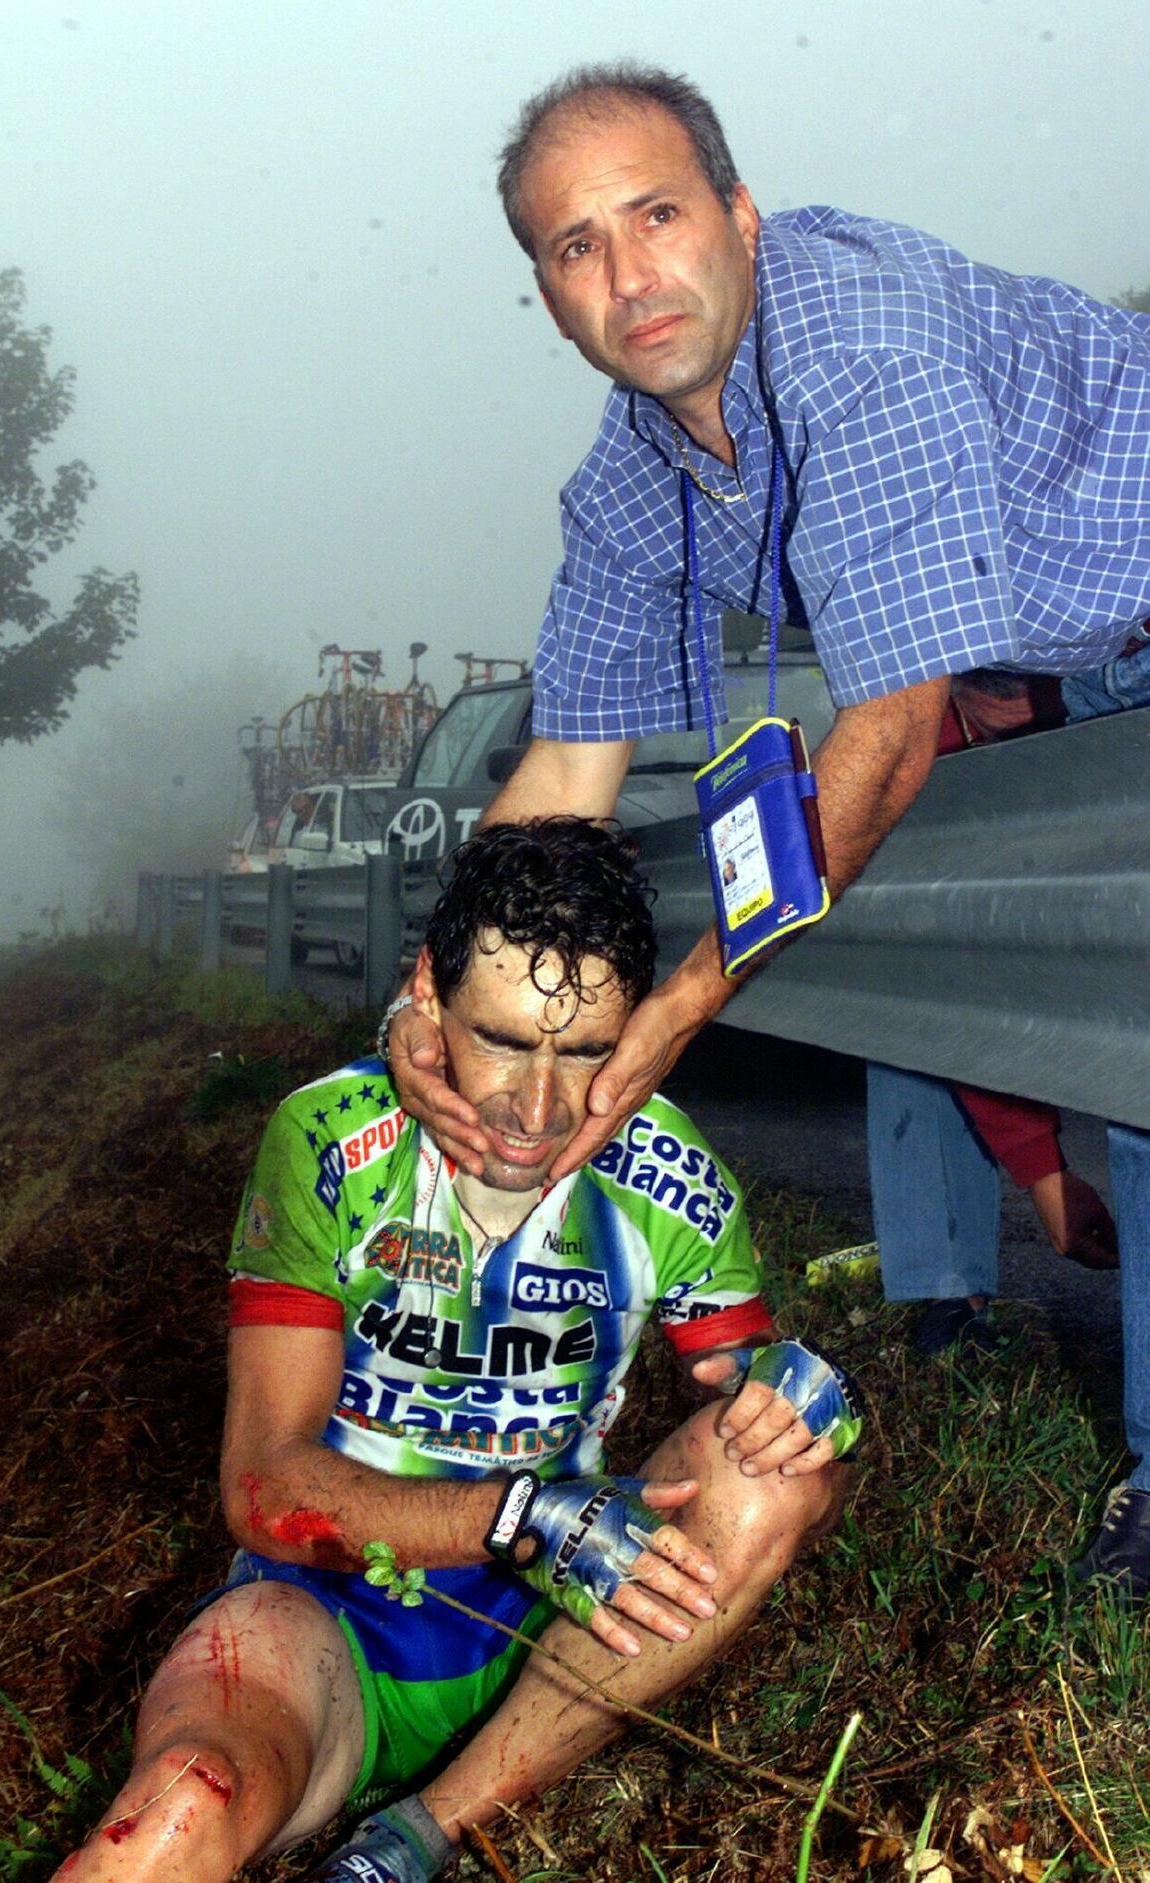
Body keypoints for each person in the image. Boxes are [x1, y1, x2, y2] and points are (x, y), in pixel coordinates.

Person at [384, 61, 1149, 1591]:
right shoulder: (628, 483)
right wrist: (422, 993)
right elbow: (567, 772)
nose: (630, 275)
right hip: (1091, 655)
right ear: (546, 294)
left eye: (657, 214)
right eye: (578, 245)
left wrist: (670, 1014)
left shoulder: (859, 343)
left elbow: (888, 732)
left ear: (739, 214)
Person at [53, 819, 858, 1883]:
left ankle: (422, 1833)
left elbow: (779, 1458)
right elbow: (261, 1485)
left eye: (587, 1051)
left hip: (562, 1626)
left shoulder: (669, 1166)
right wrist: (516, 1518)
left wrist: (815, 1412)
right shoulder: (329, 1139)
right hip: (329, 1617)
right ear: (427, 995)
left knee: (773, 1470)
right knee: (178, 1806)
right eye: (504, 1040)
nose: (538, 1106)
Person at [869, 671, 1118, 1357]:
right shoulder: (919, 737)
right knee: (886, 987)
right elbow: (951, 979)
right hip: (980, 831)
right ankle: (951, 1294)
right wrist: (1045, 1174)